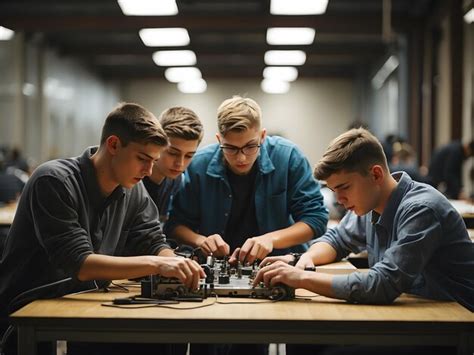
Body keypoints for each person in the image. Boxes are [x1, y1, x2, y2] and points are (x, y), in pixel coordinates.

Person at [0, 102, 204, 355]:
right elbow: (80, 264)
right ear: (114, 145)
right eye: (142, 159)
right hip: (27, 309)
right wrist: (158, 264)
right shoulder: (53, 181)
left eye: (153, 161)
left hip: (82, 301)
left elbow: (151, 239)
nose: (149, 171)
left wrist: (175, 263)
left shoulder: (133, 188)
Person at [165, 96, 328, 355]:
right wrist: (199, 240)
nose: (241, 157)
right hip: (213, 279)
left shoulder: (288, 157)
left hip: (274, 273)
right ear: (219, 140)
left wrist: (270, 239)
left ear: (262, 136)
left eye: (250, 146)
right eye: (231, 148)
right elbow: (175, 225)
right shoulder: (198, 164)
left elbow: (316, 219)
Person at [255, 128, 474, 310]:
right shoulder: (372, 203)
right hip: (414, 312)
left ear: (376, 174)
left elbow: (383, 284)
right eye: (334, 190)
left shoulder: (421, 209)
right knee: (304, 339)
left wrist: (300, 278)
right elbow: (337, 239)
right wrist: (302, 260)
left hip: (452, 325)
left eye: (344, 188)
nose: (339, 200)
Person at [143, 106, 203, 228]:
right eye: (173, 153)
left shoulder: (177, 181)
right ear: (157, 142)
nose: (180, 164)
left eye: (189, 155)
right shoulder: (133, 179)